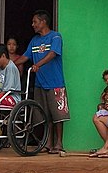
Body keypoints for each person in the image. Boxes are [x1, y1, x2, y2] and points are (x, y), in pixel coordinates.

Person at [13, 10, 69, 155]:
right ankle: (48, 143)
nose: (33, 25)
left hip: (55, 82)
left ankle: (59, 143)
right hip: (40, 83)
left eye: (35, 22)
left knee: (57, 115)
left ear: (43, 22)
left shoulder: (55, 37)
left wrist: (39, 64)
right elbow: (25, 57)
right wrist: (8, 65)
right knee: (45, 115)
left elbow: (52, 54)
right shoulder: (34, 41)